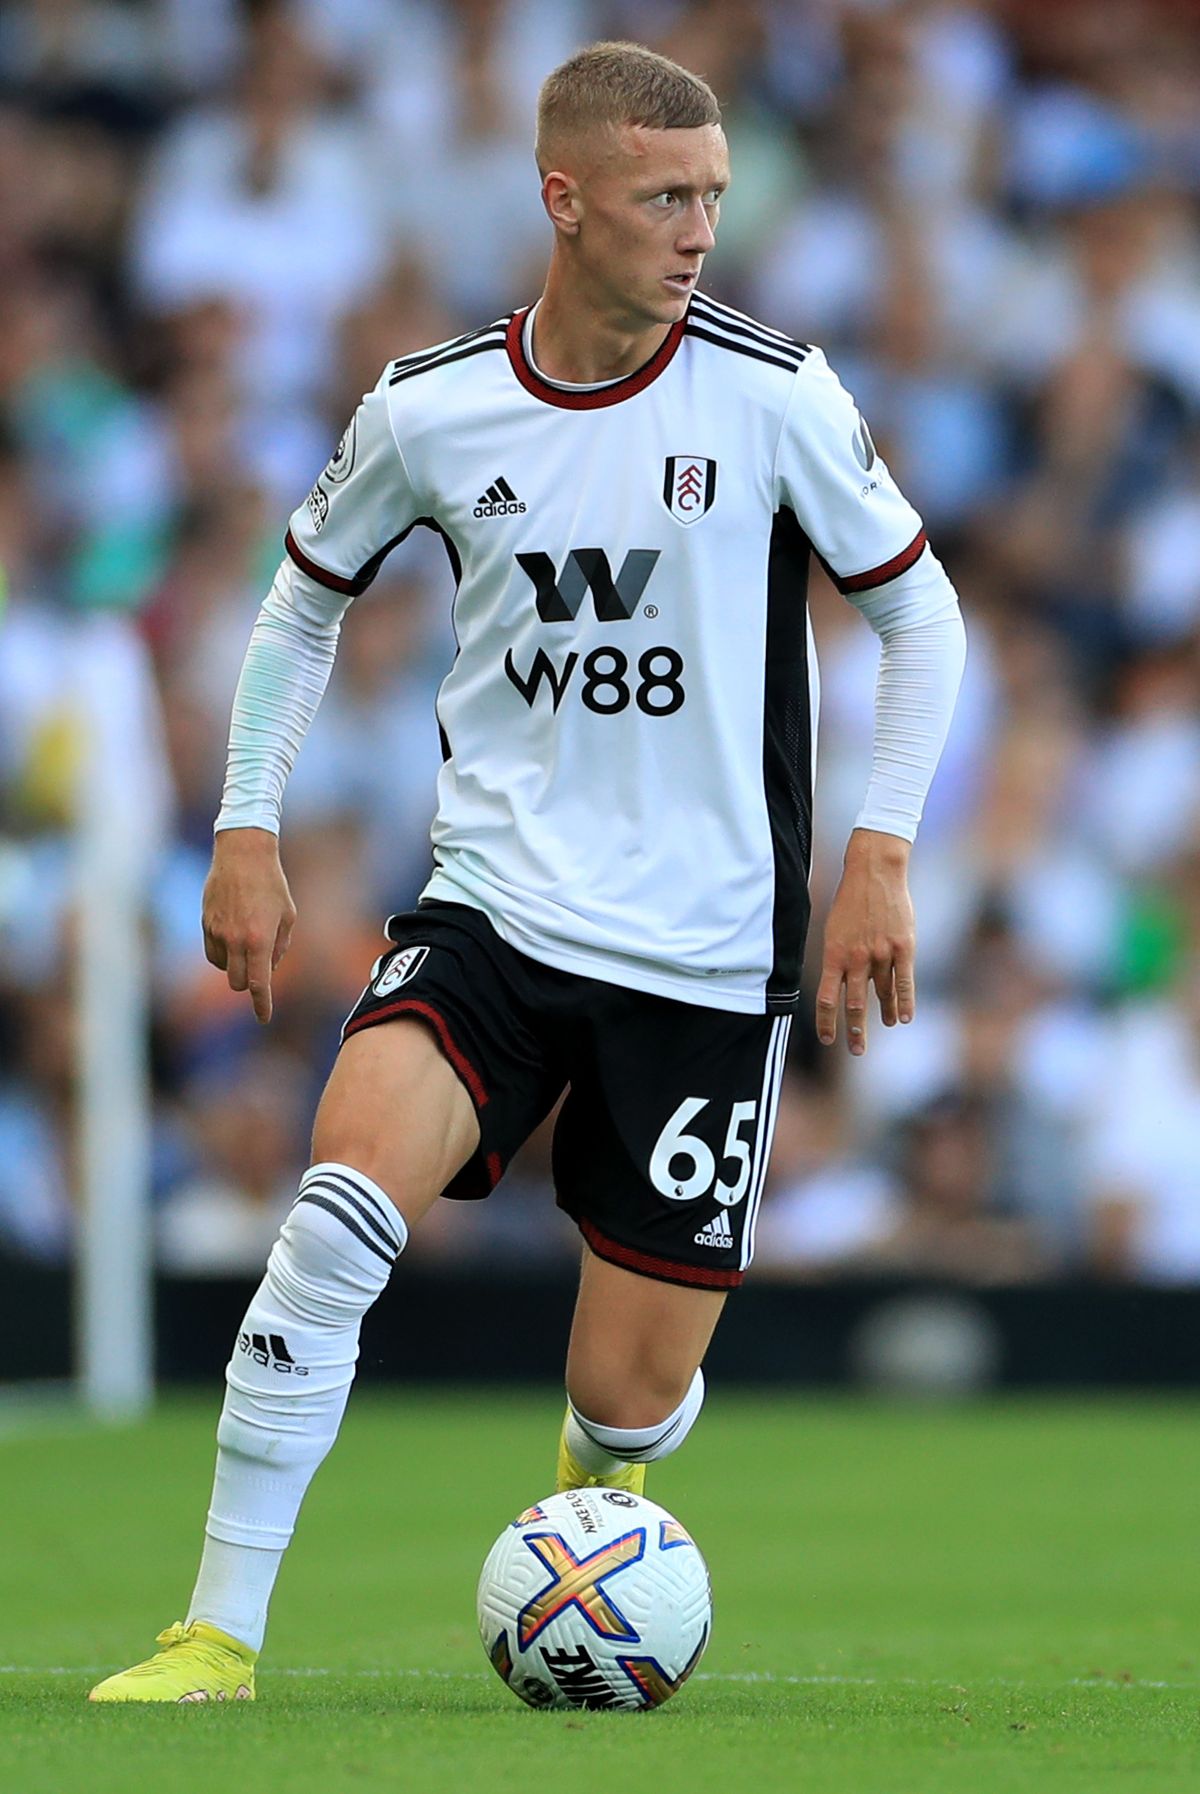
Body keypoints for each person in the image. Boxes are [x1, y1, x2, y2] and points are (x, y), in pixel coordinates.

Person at [89, 41, 966, 1704]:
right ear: (565, 202)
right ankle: (215, 1633)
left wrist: (881, 849)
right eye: (666, 198)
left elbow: (921, 614)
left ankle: (604, 1468)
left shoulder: (774, 392)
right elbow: (300, 600)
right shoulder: (430, 406)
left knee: (631, 1401)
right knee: (336, 1215)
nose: (704, 228)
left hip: (707, 959)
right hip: (495, 910)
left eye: (714, 194)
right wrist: (246, 820)